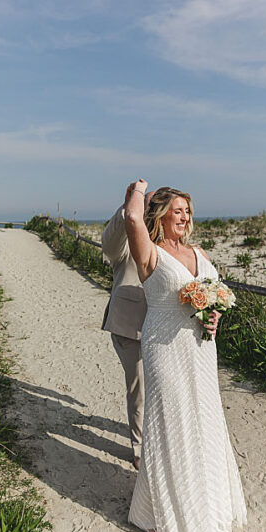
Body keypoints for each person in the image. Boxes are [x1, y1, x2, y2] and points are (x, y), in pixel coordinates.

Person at [122, 178, 248, 532]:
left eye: (187, 210)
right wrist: (139, 188)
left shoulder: (200, 251)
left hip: (201, 348)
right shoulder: (150, 253)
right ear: (160, 216)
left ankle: (208, 504)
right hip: (164, 346)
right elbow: (131, 216)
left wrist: (215, 318)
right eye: (177, 210)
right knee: (173, 423)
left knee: (205, 420)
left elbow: (215, 297)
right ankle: (165, 514)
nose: (184, 216)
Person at [101, 194, 150, 469]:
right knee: (139, 387)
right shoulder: (125, 243)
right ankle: (140, 447)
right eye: (147, 205)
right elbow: (108, 243)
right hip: (130, 326)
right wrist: (127, 205)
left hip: (164, 326)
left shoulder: (168, 241)